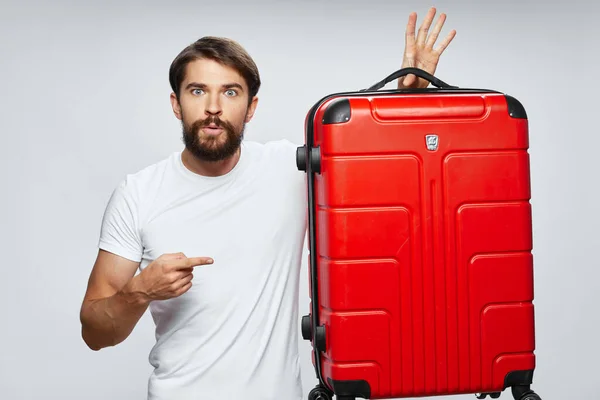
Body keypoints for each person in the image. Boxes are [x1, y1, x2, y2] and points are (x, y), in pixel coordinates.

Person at [79, 7, 456, 400]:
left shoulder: (290, 170)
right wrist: (141, 291)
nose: (213, 107)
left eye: (230, 92)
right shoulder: (138, 193)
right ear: (176, 104)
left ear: (251, 107)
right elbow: (95, 333)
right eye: (197, 91)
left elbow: (379, 176)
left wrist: (406, 100)